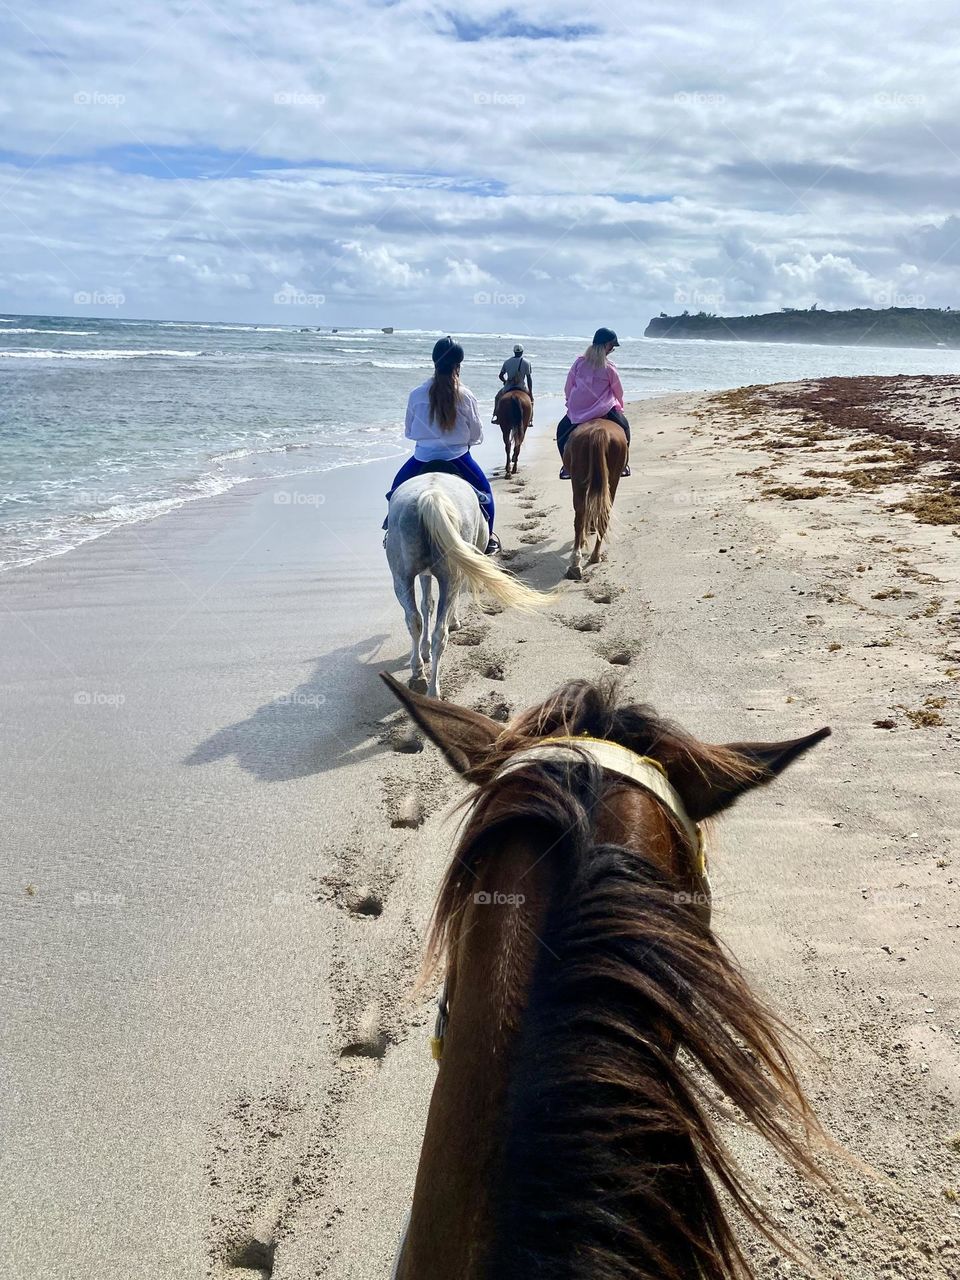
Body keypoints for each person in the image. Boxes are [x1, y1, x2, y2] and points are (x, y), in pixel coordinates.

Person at [385, 336, 500, 554]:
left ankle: (391, 532)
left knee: (394, 493)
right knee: (485, 495)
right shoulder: (465, 395)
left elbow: (409, 431)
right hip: (458, 458)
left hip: (421, 459)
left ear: (434, 363)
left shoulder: (416, 394)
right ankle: (489, 540)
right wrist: (464, 442)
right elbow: (476, 434)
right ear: (458, 366)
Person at [556, 328, 631, 479]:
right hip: (604, 409)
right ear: (607, 345)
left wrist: (569, 402)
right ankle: (623, 465)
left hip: (579, 410)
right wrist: (620, 405)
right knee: (625, 428)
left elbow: (568, 386)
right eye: (612, 346)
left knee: (561, 432)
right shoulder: (609, 368)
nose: (612, 349)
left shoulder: (579, 363)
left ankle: (566, 466)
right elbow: (618, 391)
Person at [492, 343, 533, 423]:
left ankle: (496, 416)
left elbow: (500, 376)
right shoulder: (527, 362)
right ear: (522, 352)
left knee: (497, 398)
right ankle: (530, 419)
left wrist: (505, 381)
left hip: (508, 387)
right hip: (521, 387)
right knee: (531, 401)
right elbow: (529, 379)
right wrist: (530, 392)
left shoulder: (507, 362)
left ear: (514, 352)